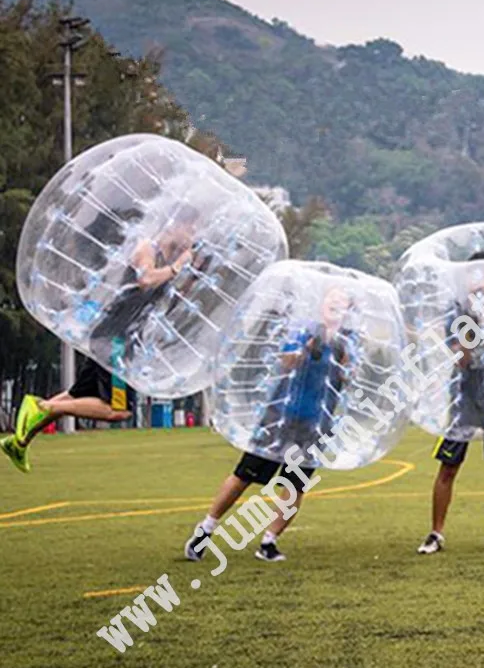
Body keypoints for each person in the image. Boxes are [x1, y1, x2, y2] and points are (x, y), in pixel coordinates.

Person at [2, 216, 196, 474]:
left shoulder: (167, 260)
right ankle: (43, 406)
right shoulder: (147, 248)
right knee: (118, 411)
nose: (193, 235)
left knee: (75, 397)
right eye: (191, 227)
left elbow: (169, 297)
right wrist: (177, 267)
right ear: (175, 224)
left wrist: (191, 274)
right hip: (113, 337)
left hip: (119, 337)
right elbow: (146, 279)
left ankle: (17, 443)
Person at [184, 287, 354, 564]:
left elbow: (348, 378)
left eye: (343, 301)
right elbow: (285, 363)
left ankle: (269, 542)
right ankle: (205, 529)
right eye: (332, 298)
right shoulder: (304, 330)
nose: (337, 304)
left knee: (295, 486)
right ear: (322, 303)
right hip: (279, 416)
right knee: (245, 475)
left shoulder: (347, 341)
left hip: (314, 424)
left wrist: (345, 363)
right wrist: (308, 347)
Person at [417, 250, 484, 555]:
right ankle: (436, 533)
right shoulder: (456, 311)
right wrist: (473, 324)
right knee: (450, 465)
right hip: (465, 391)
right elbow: (460, 359)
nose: (481, 281)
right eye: (475, 273)